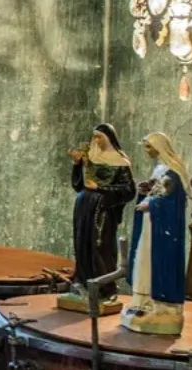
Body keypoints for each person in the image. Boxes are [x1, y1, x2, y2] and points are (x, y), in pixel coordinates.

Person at [58, 125, 136, 312]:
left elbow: (128, 191)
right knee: (82, 244)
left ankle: (105, 288)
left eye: (100, 137)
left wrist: (101, 190)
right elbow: (78, 186)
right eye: (94, 137)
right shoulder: (91, 158)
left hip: (103, 209)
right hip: (84, 206)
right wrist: (77, 166)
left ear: (109, 138)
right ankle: (83, 283)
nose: (96, 141)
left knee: (100, 246)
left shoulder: (120, 161)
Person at [123, 132, 189, 336]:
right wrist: (146, 190)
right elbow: (157, 191)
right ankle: (144, 302)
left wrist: (150, 203)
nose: (147, 151)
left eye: (149, 147)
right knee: (145, 260)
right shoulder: (160, 169)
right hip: (151, 227)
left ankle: (163, 306)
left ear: (159, 147)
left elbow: (170, 202)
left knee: (159, 263)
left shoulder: (172, 174)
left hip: (163, 232)